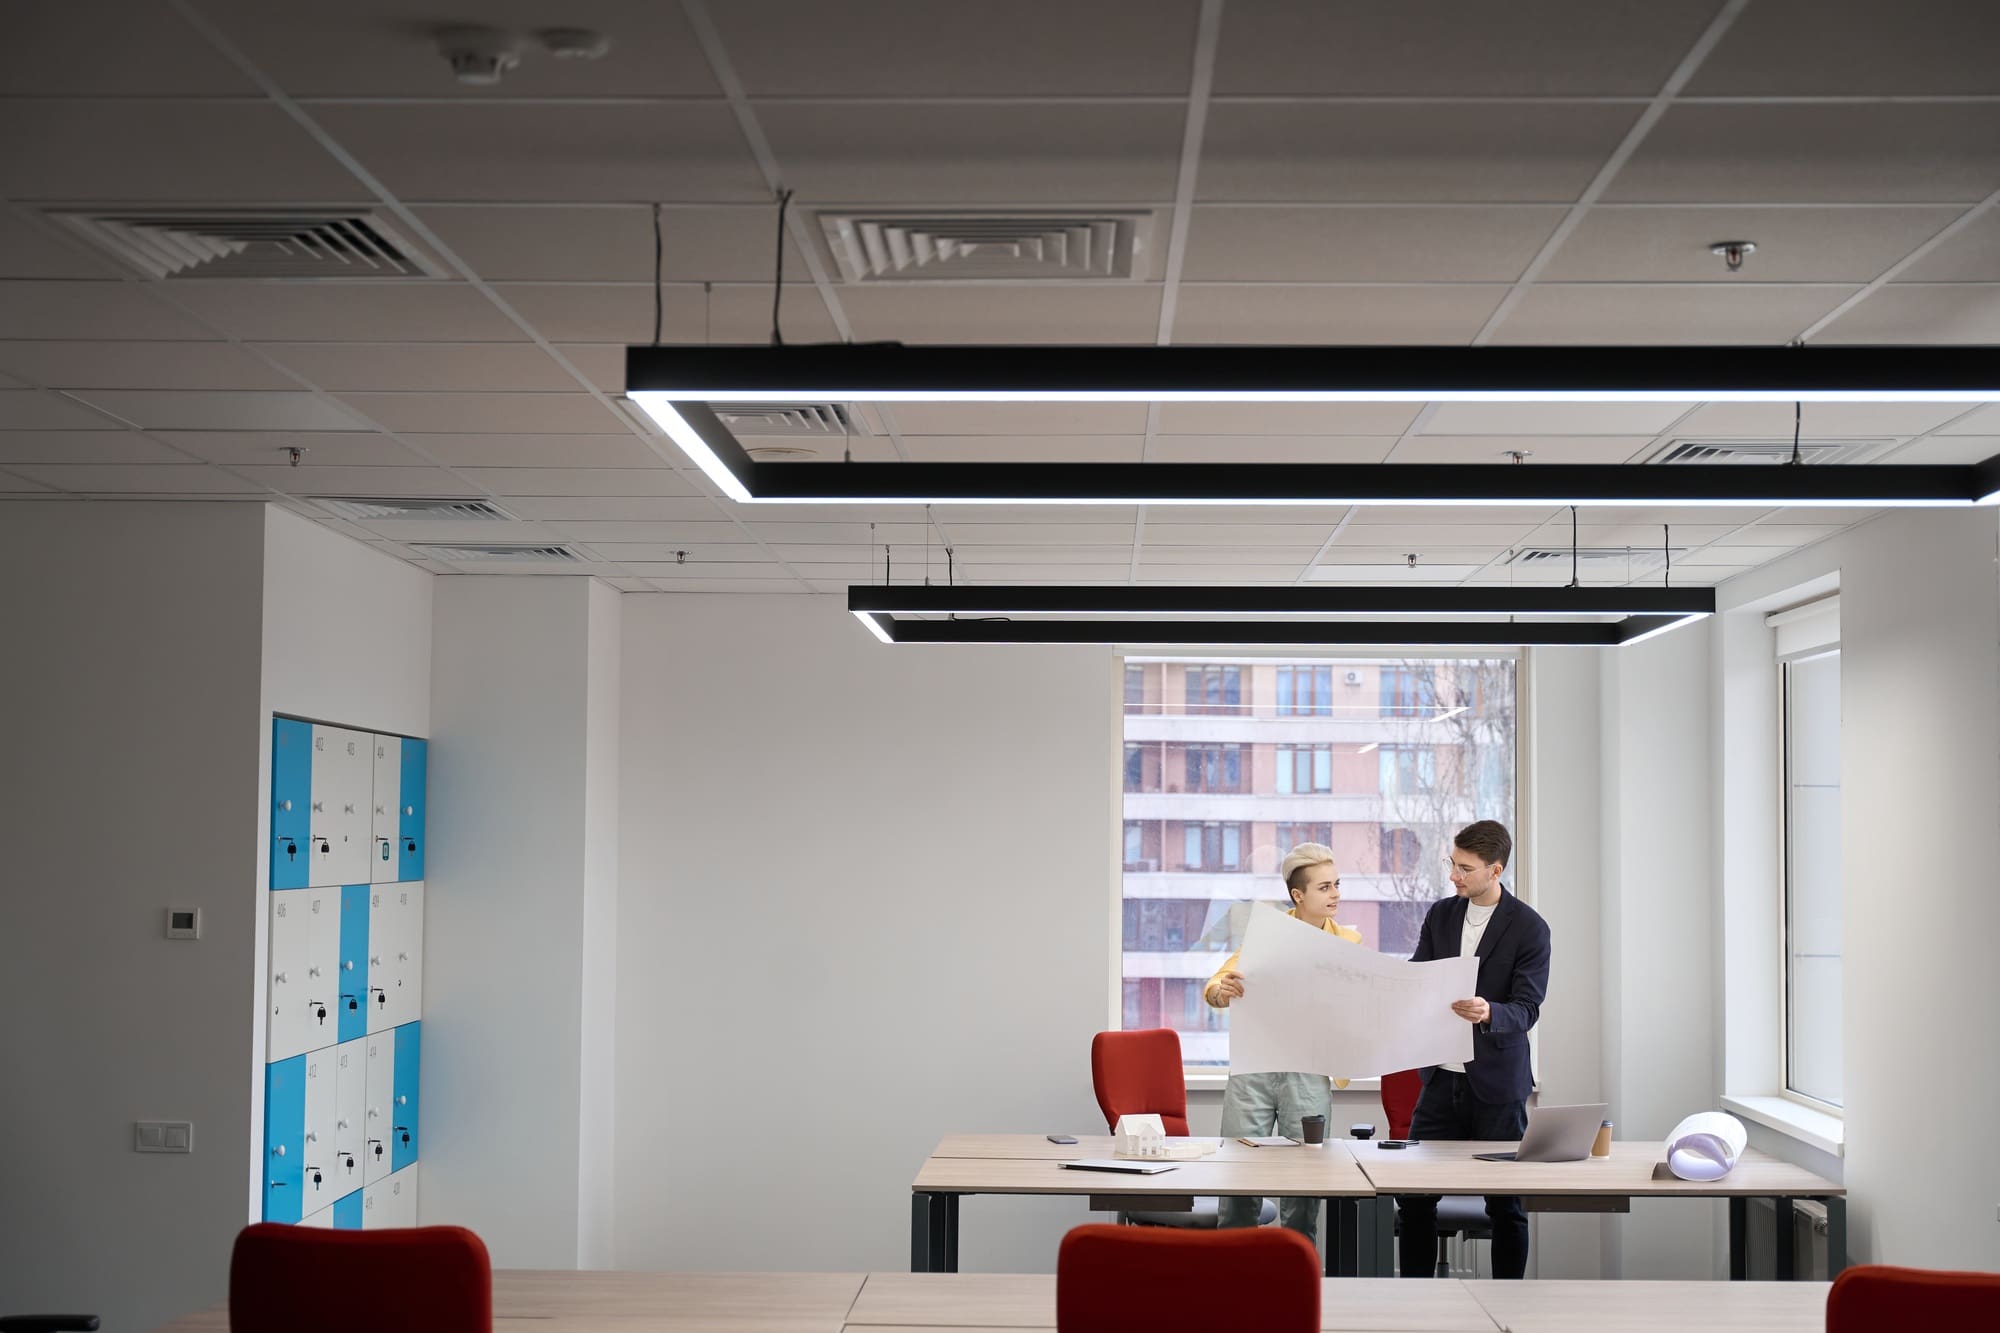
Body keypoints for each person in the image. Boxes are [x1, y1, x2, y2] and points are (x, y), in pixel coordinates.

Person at [1397, 819, 1550, 1281]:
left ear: (1495, 870)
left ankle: (1508, 1304)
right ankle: (1417, 1300)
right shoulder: (1441, 914)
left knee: (1506, 1205)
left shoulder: (1529, 927)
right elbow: (1419, 974)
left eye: (1464, 868)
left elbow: (1527, 1009)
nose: (1453, 875)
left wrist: (1489, 1012)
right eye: (1453, 863)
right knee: (1415, 1198)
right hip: (1441, 1078)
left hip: (1498, 1085)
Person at [1204, 842, 1361, 1239]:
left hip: (1308, 1070)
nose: (1336, 894)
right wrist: (1223, 991)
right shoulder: (1267, 935)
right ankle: (1233, 1270)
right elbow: (1217, 984)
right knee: (1239, 1183)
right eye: (1324, 887)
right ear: (1298, 894)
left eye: (1337, 884)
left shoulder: (1349, 943)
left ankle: (1297, 1273)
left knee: (1304, 1195)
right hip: (1254, 1070)